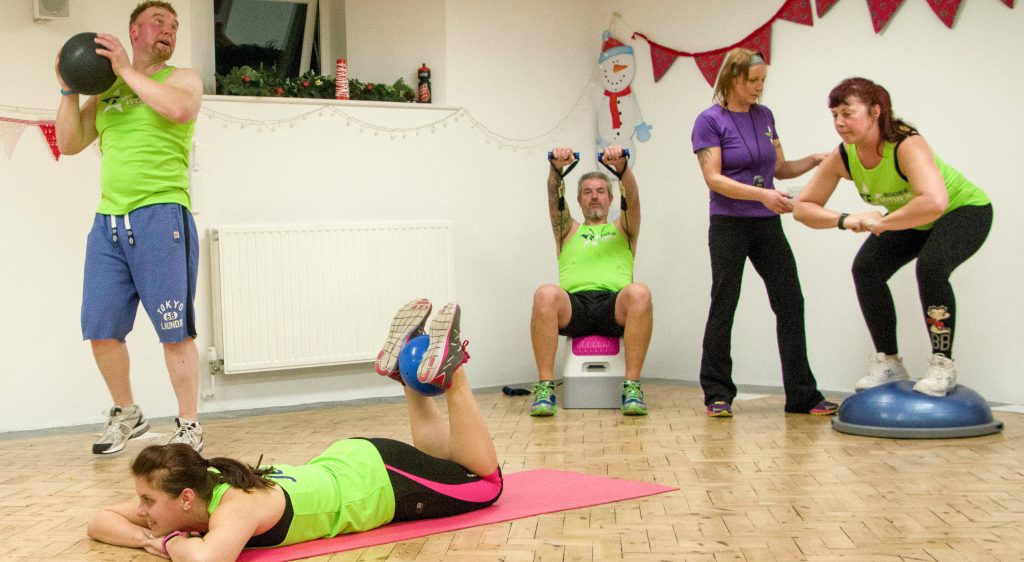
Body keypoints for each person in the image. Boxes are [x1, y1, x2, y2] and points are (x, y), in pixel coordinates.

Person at [87, 300, 501, 559]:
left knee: (486, 484)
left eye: (146, 500)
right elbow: (99, 521)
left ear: (186, 498)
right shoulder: (195, 481)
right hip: (358, 465)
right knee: (443, 464)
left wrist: (163, 542)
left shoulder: (236, 507)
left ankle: (456, 373)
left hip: (377, 482)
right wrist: (154, 539)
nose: (139, 510)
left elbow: (207, 561)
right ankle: (409, 377)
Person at [54, 1, 205, 454]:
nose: (169, 31)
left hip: (161, 215)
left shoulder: (181, 79)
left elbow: (178, 110)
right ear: (134, 30)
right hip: (109, 223)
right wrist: (68, 90)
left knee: (175, 330)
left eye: (175, 26)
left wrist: (125, 69)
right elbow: (69, 142)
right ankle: (127, 413)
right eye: (159, 22)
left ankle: (189, 424)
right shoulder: (109, 90)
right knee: (100, 328)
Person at [794, 77, 992, 397]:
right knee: (867, 268)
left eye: (847, 113)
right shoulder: (845, 155)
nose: (840, 123)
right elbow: (803, 207)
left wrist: (880, 224)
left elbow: (934, 202)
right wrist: (847, 220)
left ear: (875, 111)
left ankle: (943, 364)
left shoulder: (905, 143)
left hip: (964, 211)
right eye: (834, 115)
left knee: (931, 267)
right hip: (913, 217)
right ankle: (889, 362)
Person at [691, 48, 837, 418]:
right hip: (728, 222)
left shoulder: (765, 116)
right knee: (725, 302)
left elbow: (781, 167)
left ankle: (802, 395)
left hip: (766, 221)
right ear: (732, 78)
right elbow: (714, 178)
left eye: (762, 81)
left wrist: (817, 160)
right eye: (752, 81)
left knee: (791, 301)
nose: (758, 88)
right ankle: (717, 393)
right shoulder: (710, 121)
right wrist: (763, 195)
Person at [529, 145, 653, 417]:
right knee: (545, 294)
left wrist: (622, 169)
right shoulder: (568, 230)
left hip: (614, 306)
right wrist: (556, 170)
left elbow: (632, 197)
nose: (594, 197)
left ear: (610, 199)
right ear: (579, 200)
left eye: (600, 192)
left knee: (640, 292)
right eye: (587, 192)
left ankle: (631, 387)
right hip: (575, 307)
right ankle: (545, 389)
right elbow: (553, 198)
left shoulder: (624, 228)